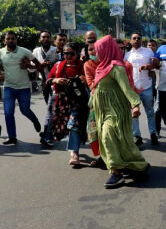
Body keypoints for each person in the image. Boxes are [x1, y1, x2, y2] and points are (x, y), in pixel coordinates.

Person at [93, 35, 150, 188]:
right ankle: (135, 165)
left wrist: (135, 105)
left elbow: (127, 88)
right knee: (118, 140)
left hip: (116, 110)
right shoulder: (101, 67)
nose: (96, 53)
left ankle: (116, 172)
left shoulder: (116, 67)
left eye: (99, 50)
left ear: (106, 50)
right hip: (102, 111)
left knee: (107, 136)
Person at [46, 43, 88, 166]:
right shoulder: (58, 65)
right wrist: (56, 80)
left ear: (77, 54)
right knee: (66, 127)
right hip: (62, 102)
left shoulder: (84, 66)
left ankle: (74, 153)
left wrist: (83, 80)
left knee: (74, 125)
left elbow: (91, 82)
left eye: (71, 53)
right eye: (65, 53)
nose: (68, 56)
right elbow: (48, 81)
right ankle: (73, 148)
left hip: (78, 102)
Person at [0, 31, 42, 145]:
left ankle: (35, 120)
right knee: (8, 113)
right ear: (4, 40)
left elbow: (38, 65)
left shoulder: (24, 51)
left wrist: (29, 66)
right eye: (8, 39)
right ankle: (12, 137)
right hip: (9, 87)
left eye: (12, 38)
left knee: (24, 110)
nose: (10, 40)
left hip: (23, 87)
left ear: (16, 40)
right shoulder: (1, 53)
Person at [124, 32, 159, 146]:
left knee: (150, 112)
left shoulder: (149, 52)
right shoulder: (127, 55)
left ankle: (153, 133)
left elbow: (156, 66)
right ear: (130, 40)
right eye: (134, 38)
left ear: (142, 40)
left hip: (147, 86)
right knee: (134, 113)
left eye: (139, 38)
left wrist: (148, 67)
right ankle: (137, 135)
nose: (136, 40)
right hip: (133, 89)